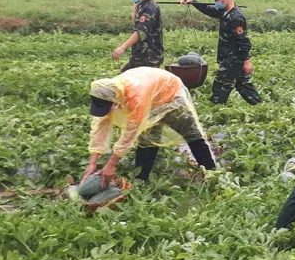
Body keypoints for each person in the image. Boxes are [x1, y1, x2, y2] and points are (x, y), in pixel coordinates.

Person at [83, 67, 217, 185]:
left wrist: (111, 164)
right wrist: (92, 163)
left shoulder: (136, 98)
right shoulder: (105, 92)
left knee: (191, 134)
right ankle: (141, 179)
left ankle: (211, 172)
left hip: (170, 94)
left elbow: (131, 133)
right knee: (147, 140)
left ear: (116, 99)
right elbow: (99, 130)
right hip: (150, 91)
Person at [180, 0, 261, 105]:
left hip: (232, 60)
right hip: (228, 58)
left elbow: (244, 43)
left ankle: (215, 110)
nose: (215, 2)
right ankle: (259, 105)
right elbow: (210, 10)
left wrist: (246, 61)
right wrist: (193, 1)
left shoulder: (236, 17)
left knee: (220, 88)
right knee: (243, 85)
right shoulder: (224, 11)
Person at [114, 0, 164, 73]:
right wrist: (136, 5)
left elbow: (141, 32)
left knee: (140, 83)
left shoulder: (149, 8)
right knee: (125, 79)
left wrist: (123, 47)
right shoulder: (143, 5)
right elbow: (136, 20)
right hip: (139, 55)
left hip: (148, 56)